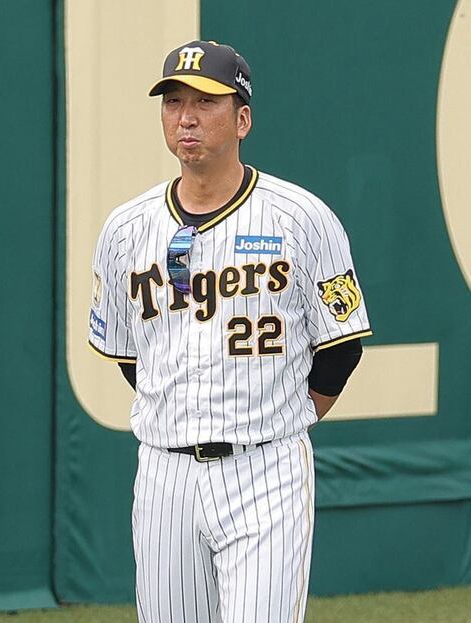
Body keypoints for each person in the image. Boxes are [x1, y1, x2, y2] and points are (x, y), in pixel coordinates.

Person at [88, 40, 371, 622]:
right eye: (173, 101)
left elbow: (341, 346)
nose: (185, 116)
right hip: (165, 472)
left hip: (265, 469)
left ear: (242, 119)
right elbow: (127, 357)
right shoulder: (125, 229)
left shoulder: (301, 217)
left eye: (205, 102)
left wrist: (279, 420)